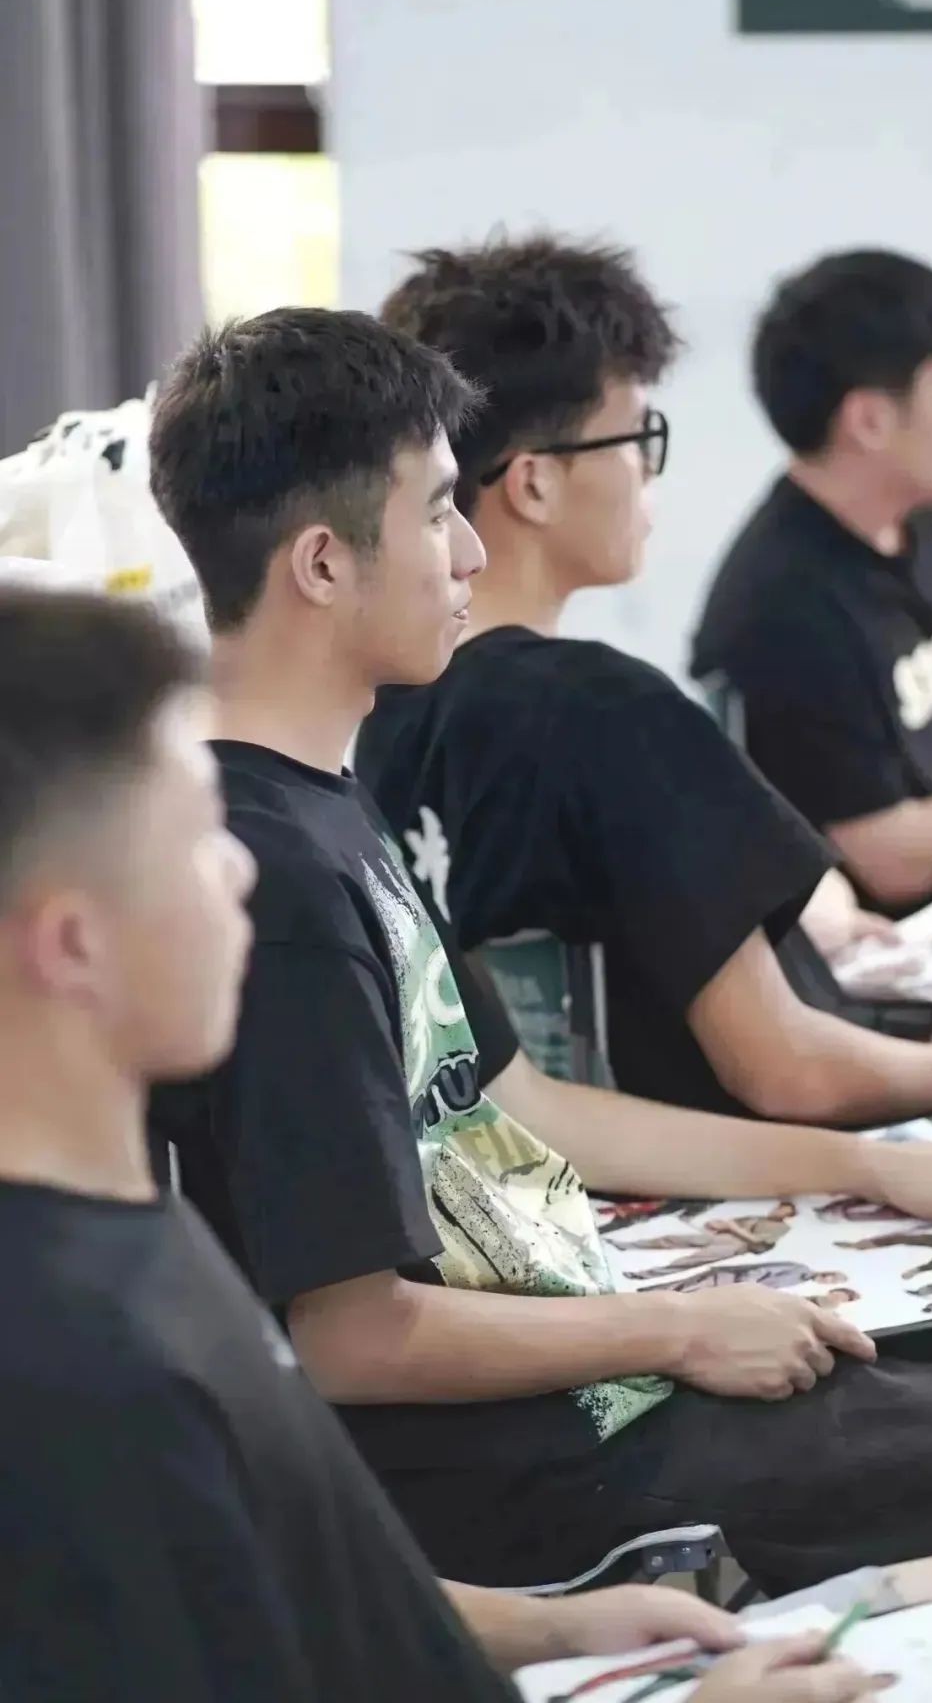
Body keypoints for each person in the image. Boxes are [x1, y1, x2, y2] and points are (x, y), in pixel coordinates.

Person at [147, 302, 932, 1604]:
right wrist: (681, 1327)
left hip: (608, 1388)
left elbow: (528, 1108)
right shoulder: (274, 883)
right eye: (437, 511)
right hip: (548, 1483)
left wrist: (876, 1166)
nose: (470, 550)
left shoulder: (328, 801)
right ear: (319, 563)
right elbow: (354, 1334)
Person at [0, 585, 859, 1703]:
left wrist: (553, 1629)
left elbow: (296, 1580)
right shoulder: (69, 1376)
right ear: (73, 944)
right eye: (197, 841)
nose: (242, 871)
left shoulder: (126, 1228)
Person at [357, 235, 932, 1126]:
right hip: (734, 1167)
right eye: (640, 440)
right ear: (534, 485)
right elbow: (790, 1070)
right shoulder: (609, 710)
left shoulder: (392, 707)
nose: (649, 474)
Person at [689, 249, 932, 915]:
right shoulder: (778, 607)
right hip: (924, 933)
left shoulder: (918, 522)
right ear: (869, 420)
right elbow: (888, 857)